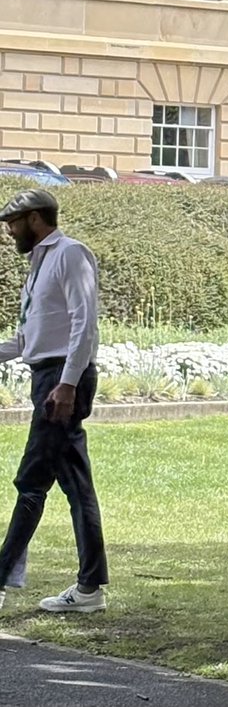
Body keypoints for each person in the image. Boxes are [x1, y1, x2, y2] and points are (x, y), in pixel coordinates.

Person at [0, 189, 107, 613]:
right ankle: (90, 588)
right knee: (76, 485)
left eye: (13, 222)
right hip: (47, 375)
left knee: (31, 480)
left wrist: (67, 384)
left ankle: (3, 576)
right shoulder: (37, 265)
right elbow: (27, 339)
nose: (8, 231)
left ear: (36, 218)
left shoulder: (69, 254)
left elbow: (86, 324)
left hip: (63, 380)